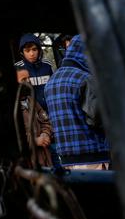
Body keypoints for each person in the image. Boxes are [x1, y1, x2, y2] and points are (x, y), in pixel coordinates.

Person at [43, 35, 110, 169]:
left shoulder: (51, 81)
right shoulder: (85, 78)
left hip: (66, 159)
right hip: (92, 157)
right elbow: (98, 120)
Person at [16, 67, 52, 166]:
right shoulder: (11, 108)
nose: (28, 82)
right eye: (23, 80)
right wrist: (34, 141)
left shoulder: (31, 101)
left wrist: (45, 134)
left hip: (45, 160)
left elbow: (46, 121)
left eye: (28, 78)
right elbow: (12, 139)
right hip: (28, 165)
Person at [14, 33, 55, 112]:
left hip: (50, 110)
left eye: (34, 49)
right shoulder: (18, 67)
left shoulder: (47, 65)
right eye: (27, 51)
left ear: (39, 50)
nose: (32, 54)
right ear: (22, 52)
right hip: (31, 114)